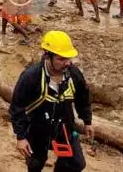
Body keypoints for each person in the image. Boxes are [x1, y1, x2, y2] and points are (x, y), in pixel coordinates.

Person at [9, 30, 93, 172]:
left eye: (68, 58)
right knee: (35, 164)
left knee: (76, 164)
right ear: (48, 56)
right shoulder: (31, 77)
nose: (67, 63)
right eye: (61, 59)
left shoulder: (73, 74)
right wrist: (21, 137)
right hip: (37, 129)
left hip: (64, 127)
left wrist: (87, 121)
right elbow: (17, 107)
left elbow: (83, 98)